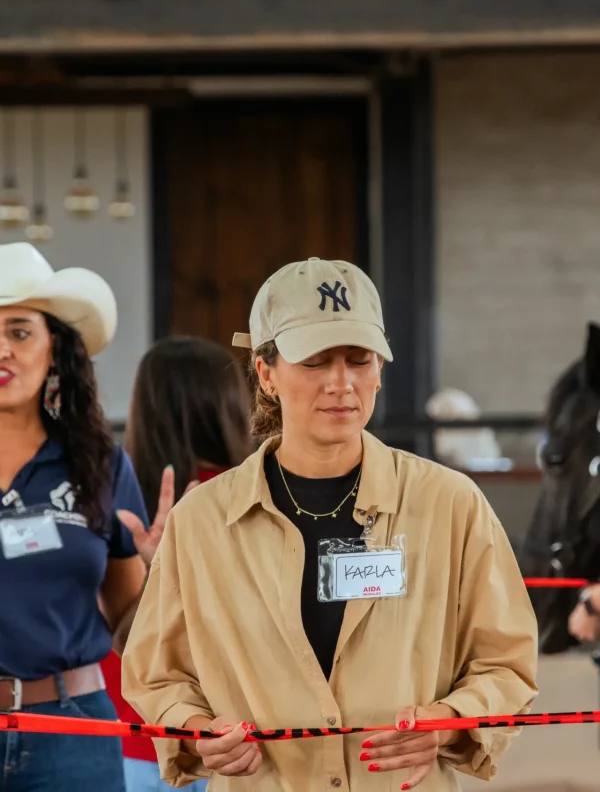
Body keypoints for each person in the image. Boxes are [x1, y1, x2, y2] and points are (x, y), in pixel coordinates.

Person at [122, 257, 538, 792]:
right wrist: (199, 731)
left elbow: (507, 664)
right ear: (266, 373)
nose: (342, 383)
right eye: (315, 360)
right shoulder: (202, 523)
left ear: (380, 369)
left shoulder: (450, 505)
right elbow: (157, 674)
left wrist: (450, 720)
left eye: (359, 359)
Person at [0, 243, 150, 792]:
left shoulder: (102, 464)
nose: (3, 350)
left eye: (19, 332)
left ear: (54, 349)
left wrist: (166, 575)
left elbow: (133, 627)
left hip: (73, 730)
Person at [101, 336, 253, 792]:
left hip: (132, 733)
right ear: (232, 403)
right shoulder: (257, 496)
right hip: (239, 738)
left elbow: (115, 638)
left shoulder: (116, 501)